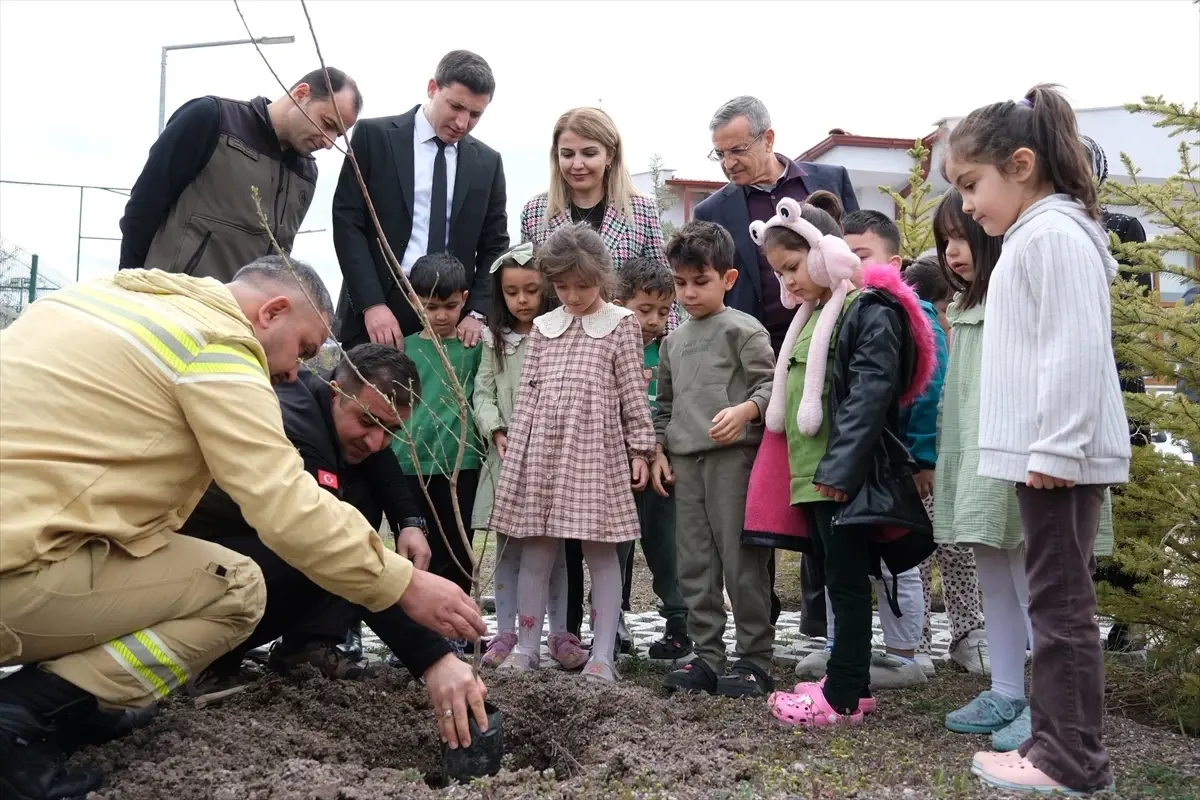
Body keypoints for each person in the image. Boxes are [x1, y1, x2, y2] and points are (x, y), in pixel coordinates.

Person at [0, 256, 485, 799]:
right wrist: (413, 599)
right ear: (272, 312)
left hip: (29, 536)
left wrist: (412, 522)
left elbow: (376, 463)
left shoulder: (98, 300)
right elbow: (291, 511)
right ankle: (17, 720)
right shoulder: (219, 350)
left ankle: (89, 706)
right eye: (303, 349)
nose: (295, 372)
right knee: (237, 588)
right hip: (21, 572)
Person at [944, 84, 1129, 795]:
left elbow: (1075, 350)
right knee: (1055, 606)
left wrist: (1055, 448)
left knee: (1059, 611)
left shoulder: (1052, 236)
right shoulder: (1034, 234)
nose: (965, 205)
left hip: (1059, 460)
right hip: (1045, 457)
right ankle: (1056, 749)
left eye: (971, 184)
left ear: (1021, 164)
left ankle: (1071, 762)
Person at [180, 343, 487, 749]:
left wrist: (410, 523)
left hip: (246, 551)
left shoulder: (340, 416)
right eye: (368, 421)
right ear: (336, 391)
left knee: (357, 495)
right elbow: (335, 551)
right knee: (337, 540)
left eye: (392, 431)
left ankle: (307, 645)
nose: (377, 441)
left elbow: (381, 459)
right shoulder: (295, 427)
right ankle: (209, 660)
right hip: (194, 569)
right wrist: (433, 657)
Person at [754, 198, 935, 728]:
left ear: (825, 254)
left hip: (842, 478)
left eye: (792, 268)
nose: (787, 282)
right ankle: (848, 679)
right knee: (838, 578)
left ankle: (842, 696)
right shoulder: (812, 316)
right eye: (779, 273)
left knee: (849, 582)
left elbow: (869, 394)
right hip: (815, 478)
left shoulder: (868, 310)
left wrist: (839, 471)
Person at [694, 96, 861, 633]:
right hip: (752, 363)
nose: (729, 164)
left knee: (820, 477)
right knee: (758, 486)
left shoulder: (829, 179)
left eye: (738, 150)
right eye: (719, 155)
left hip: (823, 346)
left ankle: (819, 615)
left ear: (769, 138)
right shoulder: (713, 211)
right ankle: (757, 612)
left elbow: (852, 254)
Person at [519, 106, 671, 644]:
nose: (578, 163)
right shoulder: (538, 213)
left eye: (589, 152)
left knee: (605, 524)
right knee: (550, 529)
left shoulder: (643, 212)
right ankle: (559, 630)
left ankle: (614, 621)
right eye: (567, 153)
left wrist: (654, 356)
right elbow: (533, 287)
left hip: (620, 358)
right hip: (561, 364)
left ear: (610, 155)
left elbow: (661, 290)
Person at [487, 223, 656, 685]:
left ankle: (603, 654)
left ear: (602, 277)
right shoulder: (544, 326)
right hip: (541, 452)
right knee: (536, 550)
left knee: (601, 552)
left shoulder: (621, 325)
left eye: (582, 285)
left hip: (594, 454)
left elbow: (631, 392)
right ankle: (526, 646)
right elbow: (528, 394)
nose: (573, 295)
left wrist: (640, 448)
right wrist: (519, 452)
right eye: (562, 286)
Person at [843, 210, 986, 680]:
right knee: (910, 556)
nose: (851, 265)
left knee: (950, 548)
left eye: (861, 255)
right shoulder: (853, 309)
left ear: (894, 260)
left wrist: (924, 458)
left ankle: (968, 636)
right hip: (889, 461)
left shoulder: (913, 315)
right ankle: (914, 642)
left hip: (924, 462)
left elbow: (929, 390)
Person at [930, 189, 1037, 752]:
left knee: (1032, 580)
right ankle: (1006, 688)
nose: (952, 251)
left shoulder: (1013, 296)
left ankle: (1050, 702)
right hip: (975, 453)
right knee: (991, 565)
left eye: (961, 237)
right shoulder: (964, 306)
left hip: (1015, 454)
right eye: (944, 241)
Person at [651, 221, 776, 696]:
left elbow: (770, 389)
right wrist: (660, 450)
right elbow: (664, 408)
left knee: (742, 562)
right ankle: (705, 655)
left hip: (734, 463)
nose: (688, 294)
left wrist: (746, 410)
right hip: (686, 466)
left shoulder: (744, 331)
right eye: (680, 283)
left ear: (728, 278)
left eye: (699, 282)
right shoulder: (671, 342)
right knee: (694, 563)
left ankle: (754, 657)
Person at [332, 50, 509, 350]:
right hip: (377, 315)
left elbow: (494, 245)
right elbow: (348, 224)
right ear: (432, 88)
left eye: (476, 114)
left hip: (453, 321)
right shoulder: (373, 137)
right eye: (455, 106)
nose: (463, 123)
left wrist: (477, 313)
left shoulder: (488, 163)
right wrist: (371, 304)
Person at [119, 69, 362, 280]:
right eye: (327, 123)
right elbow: (143, 209)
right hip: (173, 304)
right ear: (301, 94)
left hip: (241, 320)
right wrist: (128, 289)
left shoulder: (307, 173)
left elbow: (279, 259)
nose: (330, 142)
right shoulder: (212, 118)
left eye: (338, 135)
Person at [472, 243, 584, 670]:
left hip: (551, 458)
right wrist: (496, 428)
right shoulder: (494, 340)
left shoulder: (559, 334)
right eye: (512, 292)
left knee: (552, 550)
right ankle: (506, 631)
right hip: (508, 458)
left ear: (547, 291)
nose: (522, 300)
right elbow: (482, 390)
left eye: (531, 290)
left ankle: (558, 633)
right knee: (509, 551)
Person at [390, 253, 485, 619]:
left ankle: (454, 622)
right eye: (431, 307)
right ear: (414, 300)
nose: (442, 316)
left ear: (464, 298)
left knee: (458, 548)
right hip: (409, 463)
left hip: (461, 463)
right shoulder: (404, 348)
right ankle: (413, 622)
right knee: (414, 549)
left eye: (450, 306)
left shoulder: (473, 348)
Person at [614, 256, 693, 660]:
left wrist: (658, 451)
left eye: (664, 311)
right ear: (618, 300)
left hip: (663, 471)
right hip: (616, 471)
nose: (654, 319)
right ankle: (612, 622)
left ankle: (679, 623)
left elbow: (671, 409)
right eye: (644, 309)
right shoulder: (606, 350)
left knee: (667, 549)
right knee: (614, 551)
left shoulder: (671, 352)